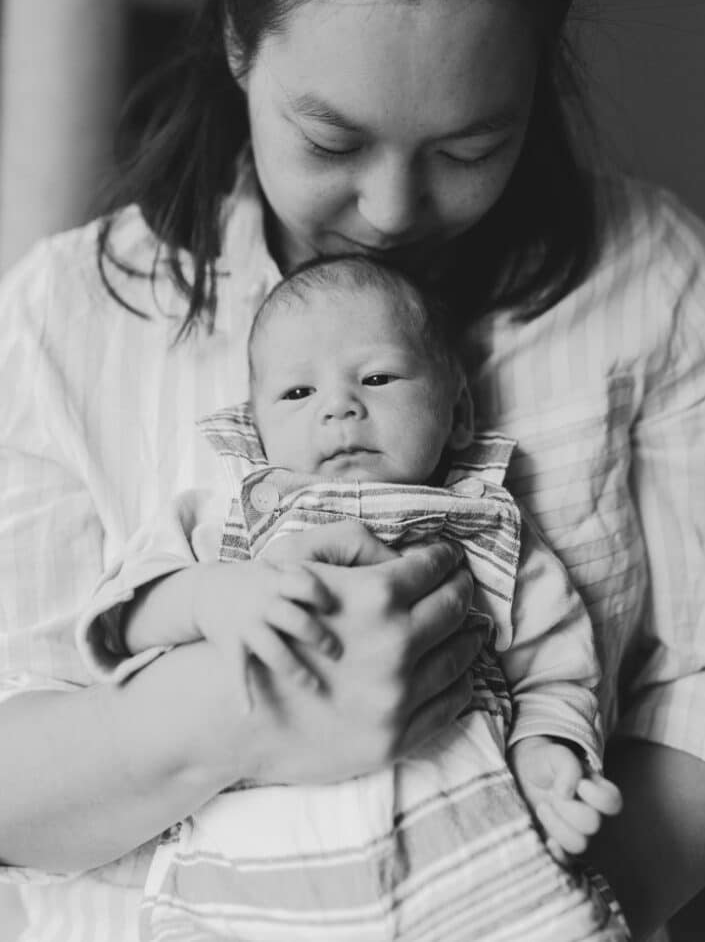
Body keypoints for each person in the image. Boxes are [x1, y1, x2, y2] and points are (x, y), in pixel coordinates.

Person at [0, 0, 703, 940]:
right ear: (241, 42)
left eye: (469, 147)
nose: (390, 210)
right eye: (330, 143)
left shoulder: (653, 281)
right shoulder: (66, 315)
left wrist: (521, 891)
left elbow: (689, 691)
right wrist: (234, 715)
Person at [76, 255, 625, 939]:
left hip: (472, 866)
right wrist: (209, 597)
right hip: (254, 882)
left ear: (457, 412)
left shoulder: (485, 528)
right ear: (256, 427)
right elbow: (123, 616)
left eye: (376, 377)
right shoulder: (227, 520)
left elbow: (557, 666)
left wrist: (548, 752)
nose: (339, 406)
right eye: (297, 394)